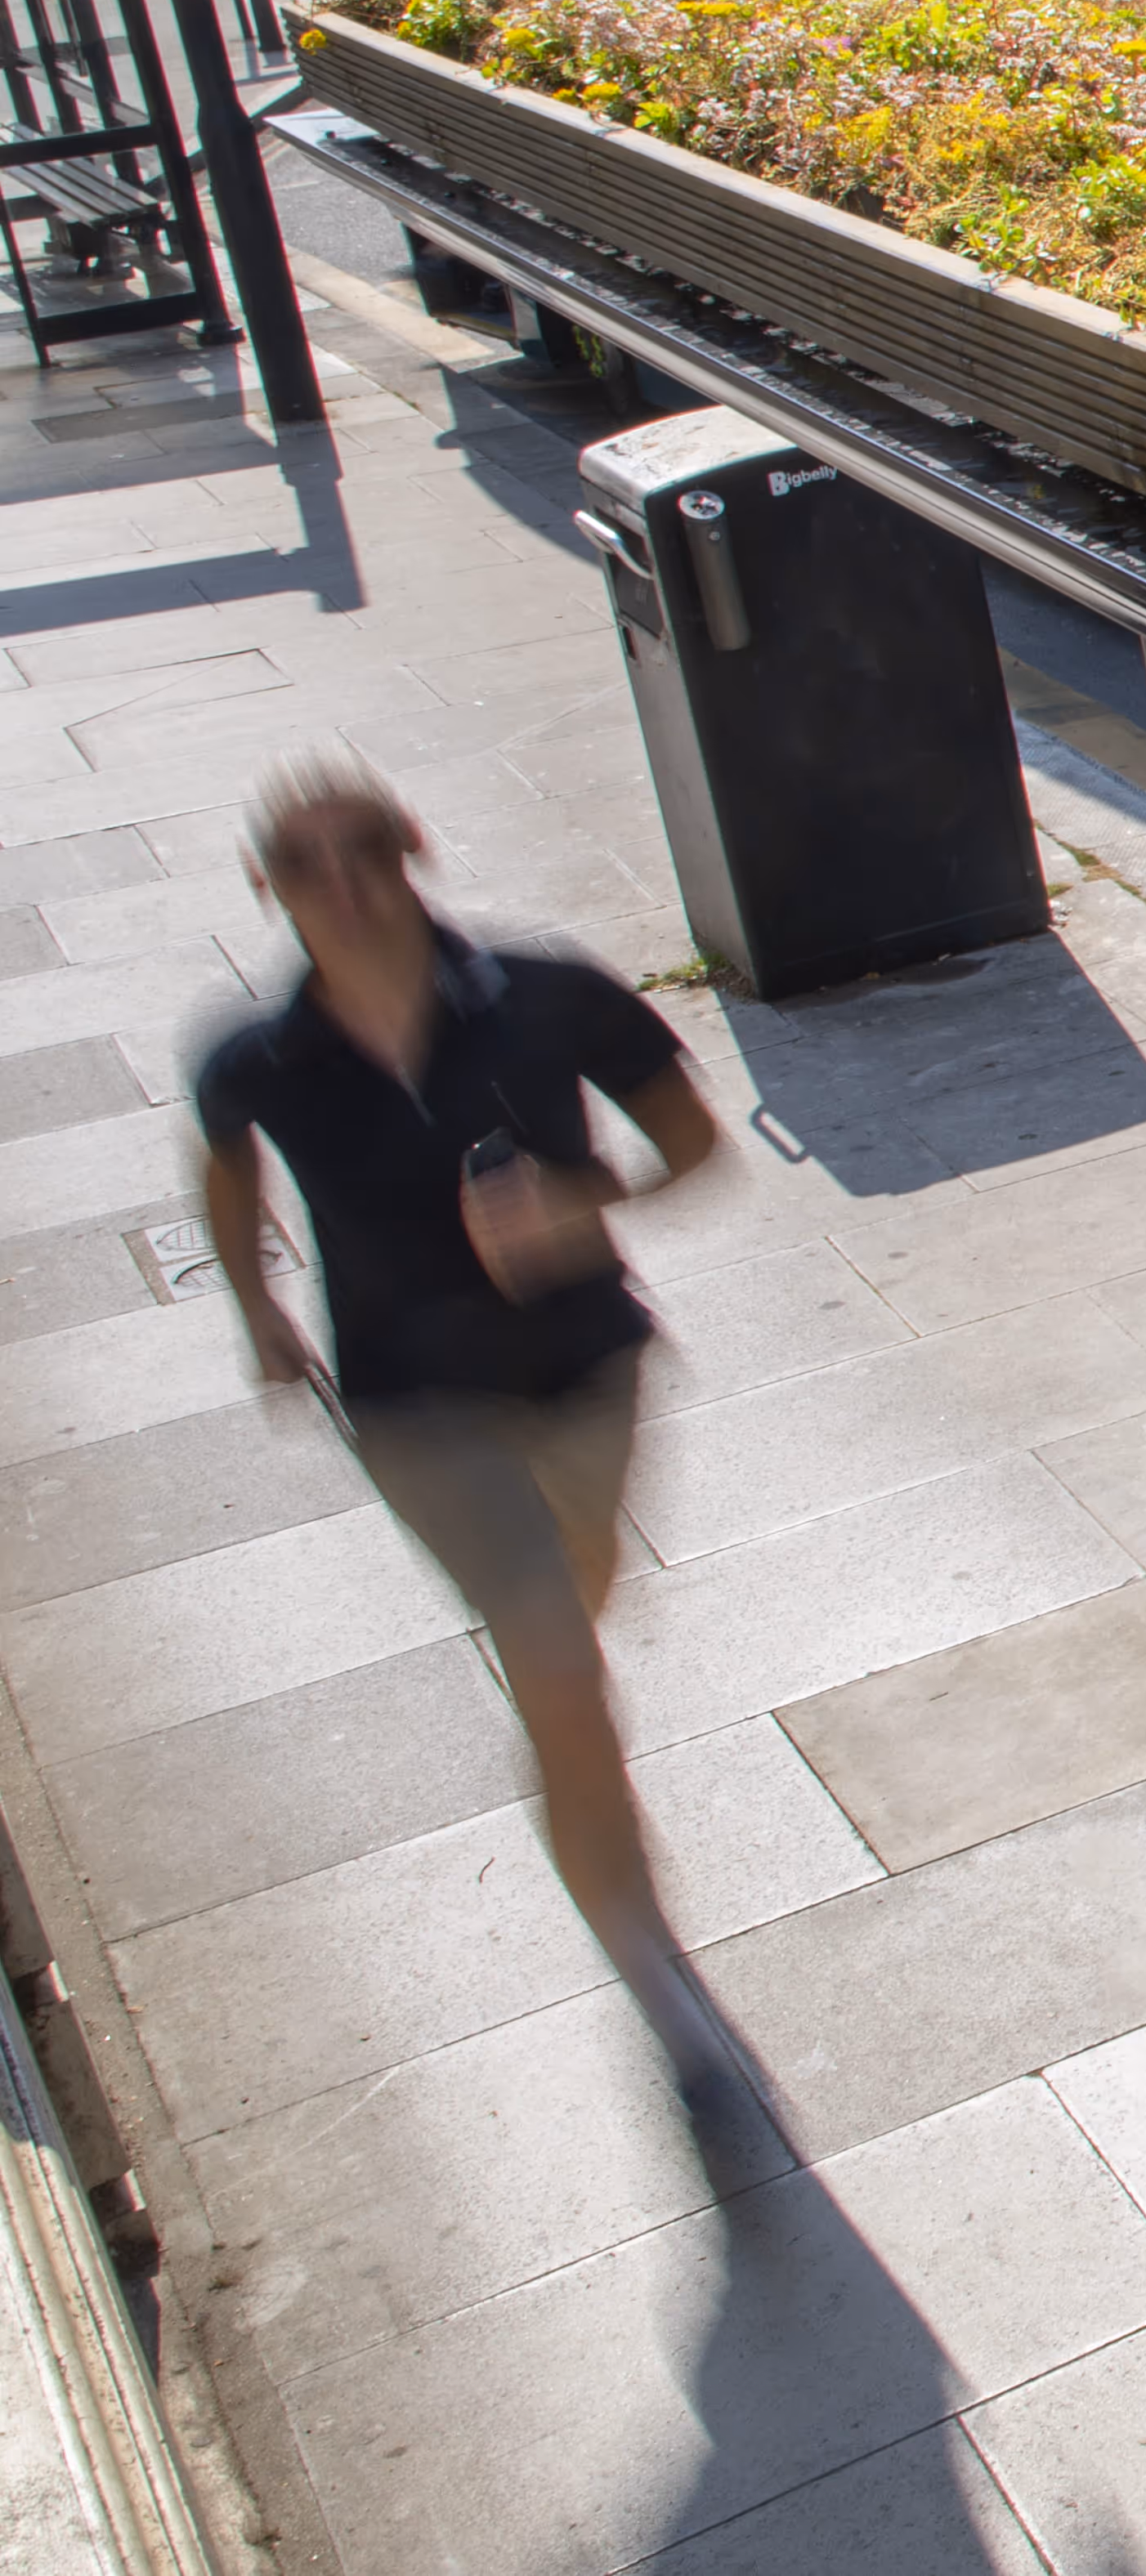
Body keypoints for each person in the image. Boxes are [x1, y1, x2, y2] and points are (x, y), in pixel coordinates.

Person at [190, 763, 748, 2129]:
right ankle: (650, 1960)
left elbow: (696, 1144)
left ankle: (568, 1748)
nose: (341, 884)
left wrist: (580, 1196)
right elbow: (226, 1163)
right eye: (305, 863)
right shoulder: (256, 1058)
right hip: (416, 1407)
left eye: (363, 849)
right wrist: (257, 1301)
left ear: (414, 849)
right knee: (557, 1660)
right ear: (267, 888)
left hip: (589, 1373)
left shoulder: (547, 994)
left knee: (576, 1608)